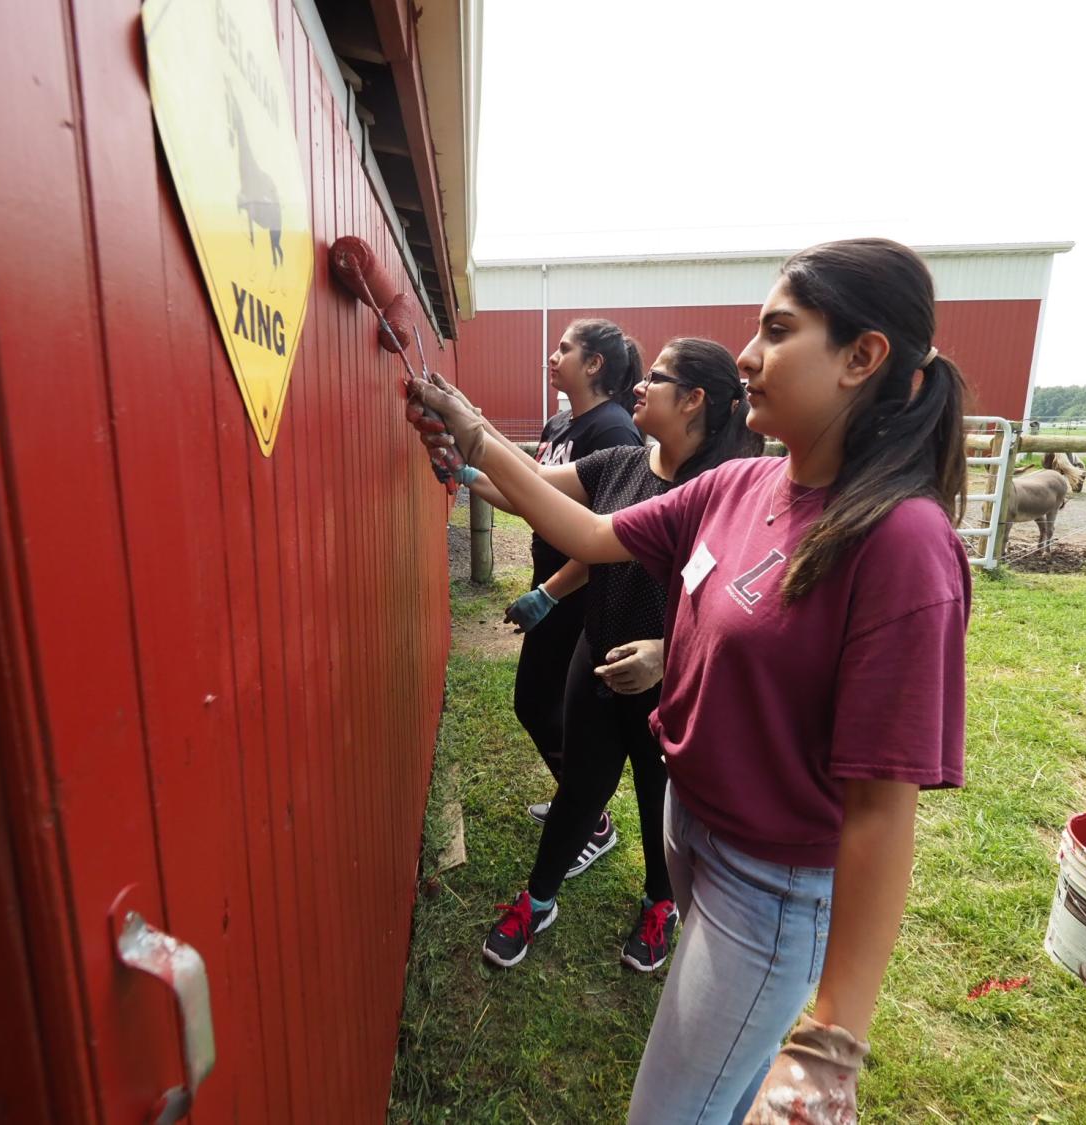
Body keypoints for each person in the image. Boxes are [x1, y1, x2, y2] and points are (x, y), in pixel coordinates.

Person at [408, 239, 971, 1124]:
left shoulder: (900, 542)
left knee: (667, 1111)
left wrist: (832, 1041)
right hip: (692, 826)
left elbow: (881, 810)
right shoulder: (742, 486)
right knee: (723, 1091)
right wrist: (474, 435)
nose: (748, 355)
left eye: (778, 330)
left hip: (771, 884)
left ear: (863, 357)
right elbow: (589, 533)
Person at [450, 340, 758, 971]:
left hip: (669, 680)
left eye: (658, 379)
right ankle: (538, 900)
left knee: (657, 797)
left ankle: (658, 902)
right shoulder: (622, 462)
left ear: (695, 400)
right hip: (598, 654)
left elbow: (736, 611)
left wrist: (666, 653)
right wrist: (468, 465)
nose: (639, 386)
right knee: (579, 789)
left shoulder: (722, 495)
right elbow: (533, 490)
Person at [504, 319, 644, 875]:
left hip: (579, 595)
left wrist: (548, 593)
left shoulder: (614, 433)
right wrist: (472, 470)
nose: (552, 355)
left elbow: (608, 535)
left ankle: (590, 817)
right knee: (539, 703)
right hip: (550, 584)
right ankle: (578, 805)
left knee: (546, 706)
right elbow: (535, 495)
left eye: (565, 349)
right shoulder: (561, 422)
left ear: (594, 365)